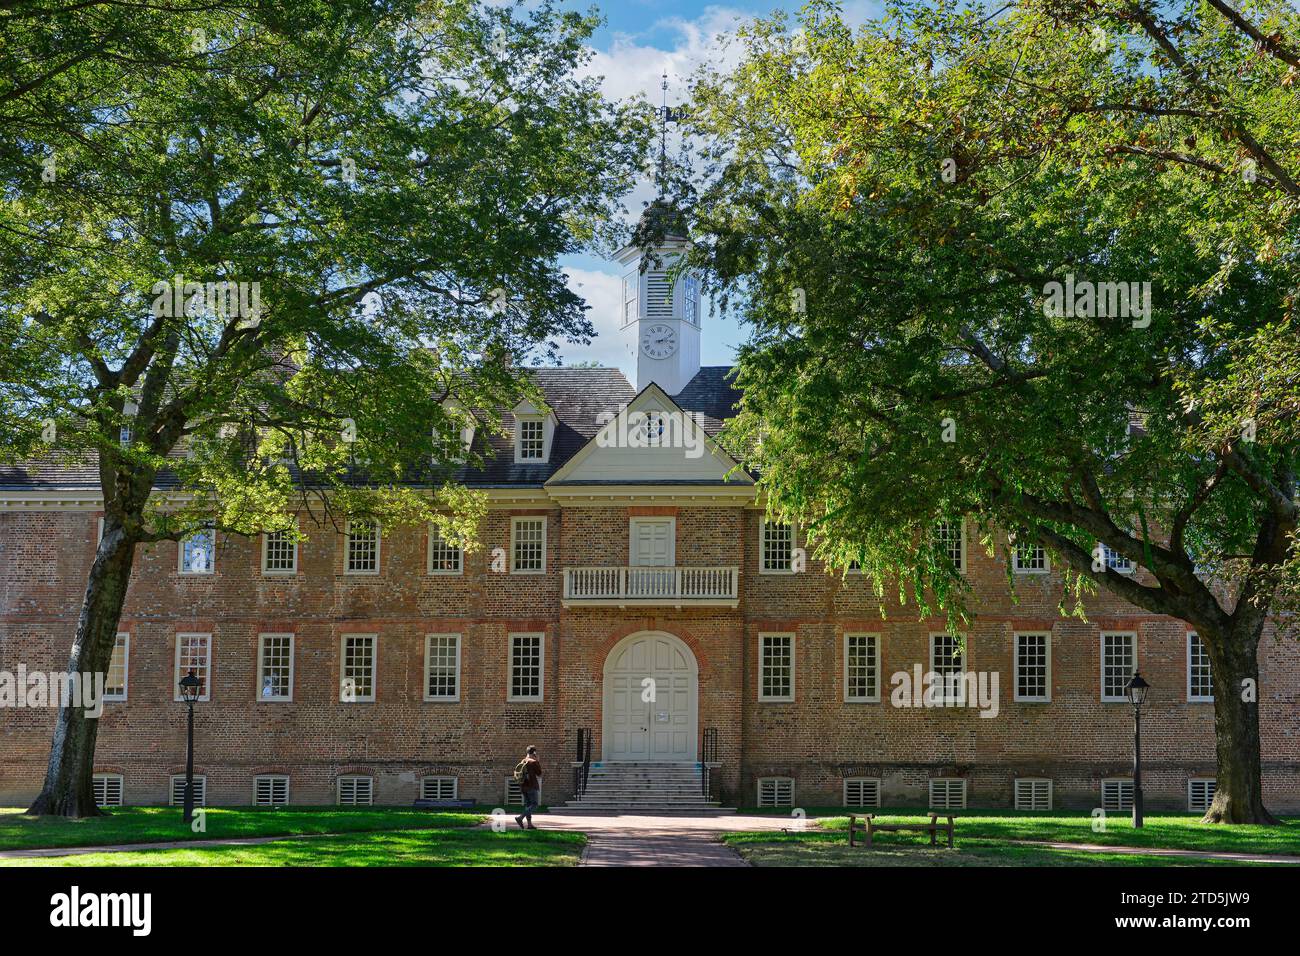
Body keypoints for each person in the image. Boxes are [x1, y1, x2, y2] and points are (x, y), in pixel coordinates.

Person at [515, 745, 543, 830]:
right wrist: (537, 761)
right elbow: (539, 773)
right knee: (534, 804)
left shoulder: (523, 761)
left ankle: (529, 824)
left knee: (528, 805)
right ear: (534, 752)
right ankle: (520, 817)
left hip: (523, 786)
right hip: (532, 786)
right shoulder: (533, 762)